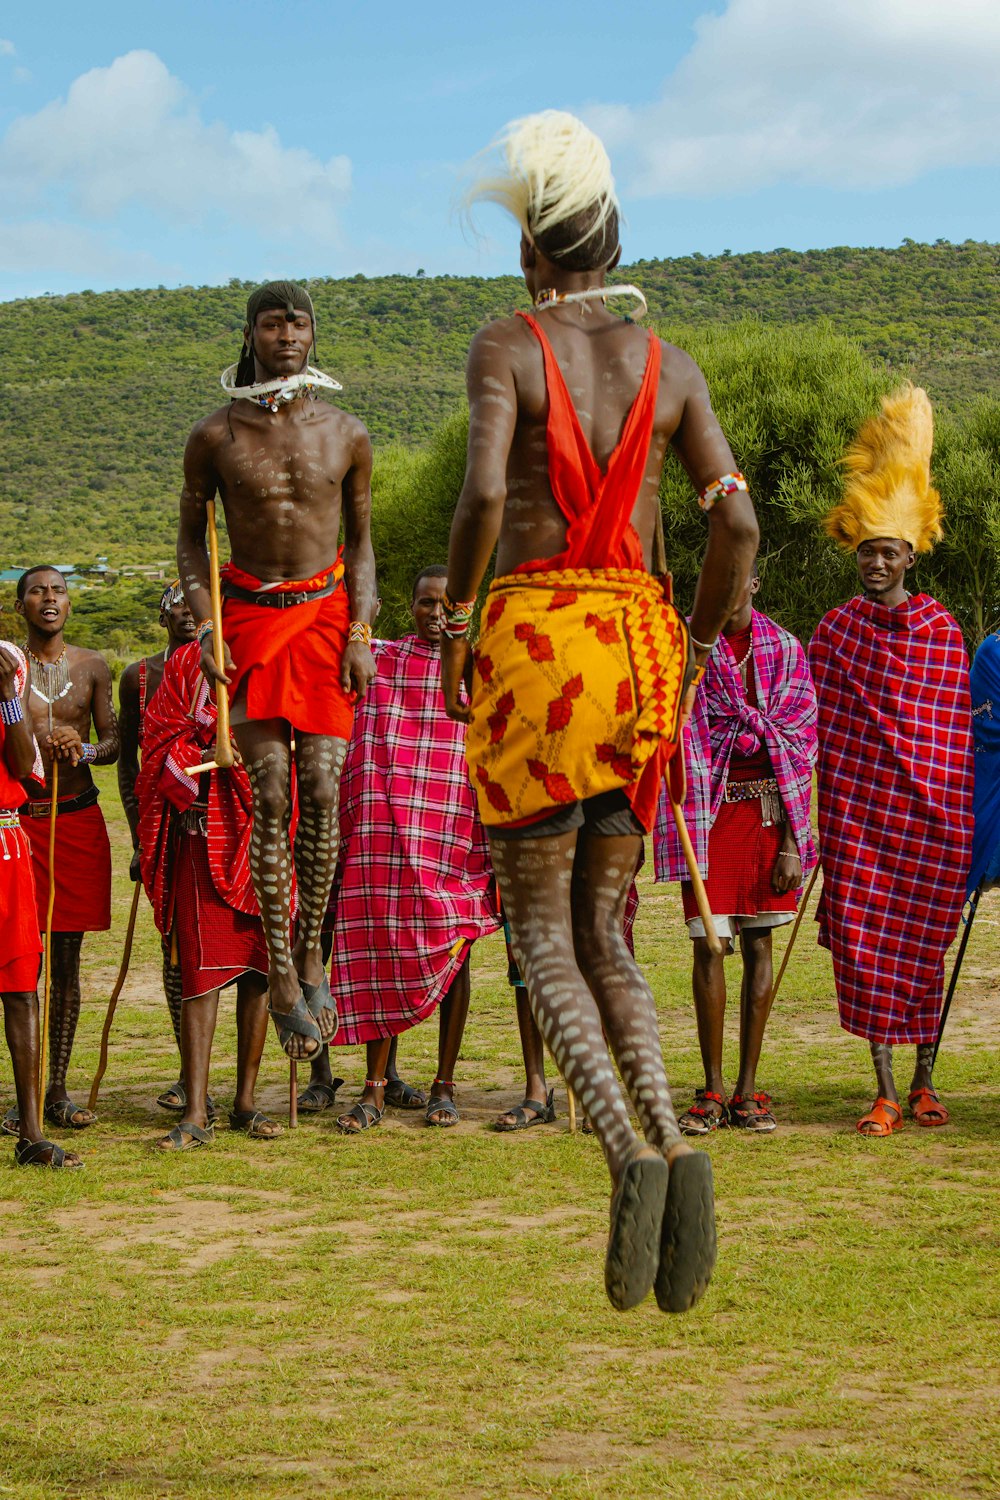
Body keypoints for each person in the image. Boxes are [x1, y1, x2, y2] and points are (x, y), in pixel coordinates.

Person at [442, 111, 758, 1312]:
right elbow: (735, 520)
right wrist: (699, 633)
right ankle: (673, 1133)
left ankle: (622, 1153)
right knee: (610, 930)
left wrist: (459, 614)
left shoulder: (506, 346)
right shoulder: (669, 367)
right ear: (612, 242)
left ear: (533, 253)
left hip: (535, 651)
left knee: (536, 933)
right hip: (637, 660)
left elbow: (480, 494)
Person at [177, 281, 377, 1065]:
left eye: (298, 323)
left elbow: (361, 543)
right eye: (272, 322)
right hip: (251, 618)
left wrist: (361, 629)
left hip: (327, 615)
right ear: (252, 333)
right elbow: (192, 540)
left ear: (313, 334)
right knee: (269, 797)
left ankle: (312, 951)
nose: (287, 334)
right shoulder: (215, 435)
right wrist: (205, 626)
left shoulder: (347, 432)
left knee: (325, 791)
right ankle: (284, 976)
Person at [809, 386, 974, 1136]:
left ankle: (925, 1083)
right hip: (860, 821)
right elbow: (821, 730)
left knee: (924, 947)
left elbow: (948, 734)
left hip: (932, 824)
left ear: (910, 553)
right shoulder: (834, 634)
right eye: (865, 551)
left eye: (888, 552)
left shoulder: (941, 631)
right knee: (870, 947)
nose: (875, 562)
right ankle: (881, 1091)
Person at [298, 565, 500, 1132]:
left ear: (465, 608)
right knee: (379, 951)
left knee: (455, 949)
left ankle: (444, 1084)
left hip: (453, 834)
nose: (436, 615)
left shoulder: (481, 666)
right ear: (407, 608)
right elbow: (329, 636)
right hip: (381, 837)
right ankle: (375, 1086)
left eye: (446, 605)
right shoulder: (381, 661)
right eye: (425, 604)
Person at [654, 567, 817, 1134]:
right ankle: (713, 1088)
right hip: (706, 810)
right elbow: (671, 726)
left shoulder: (787, 651)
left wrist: (794, 845)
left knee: (758, 944)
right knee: (708, 947)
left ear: (752, 584)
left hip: (771, 816)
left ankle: (748, 1089)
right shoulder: (686, 652)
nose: (721, 593)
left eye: (732, 581)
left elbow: (801, 749)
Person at [136, 640, 279, 1149]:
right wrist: (200, 753)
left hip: (262, 834)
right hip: (200, 834)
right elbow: (155, 745)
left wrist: (253, 752)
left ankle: (245, 1100)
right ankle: (196, 1108)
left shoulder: (271, 651)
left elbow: (295, 737)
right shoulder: (184, 664)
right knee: (200, 972)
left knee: (259, 968)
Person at [8, 565, 118, 1134]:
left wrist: (84, 752)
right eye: (37, 592)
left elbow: (115, 743)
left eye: (58, 591)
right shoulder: (8, 668)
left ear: (68, 603)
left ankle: (56, 1090)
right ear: (20, 603)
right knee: (22, 966)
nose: (49, 599)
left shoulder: (93, 666)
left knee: (68, 963)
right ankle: (24, 1096)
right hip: (21, 826)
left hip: (76, 821)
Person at [0, 640, 81, 1167]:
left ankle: (30, 1132)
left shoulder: (7, 660)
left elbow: (22, 759)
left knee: (20, 986)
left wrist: (7, 695)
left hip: (5, 845)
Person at [118, 580, 197, 1114]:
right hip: (161, 826)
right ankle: (188, 1071)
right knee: (173, 950)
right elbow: (127, 761)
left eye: (198, 608)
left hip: (220, 824)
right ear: (162, 617)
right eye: (178, 609)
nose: (188, 616)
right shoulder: (140, 676)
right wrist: (140, 838)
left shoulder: (226, 666)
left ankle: (239, 1083)